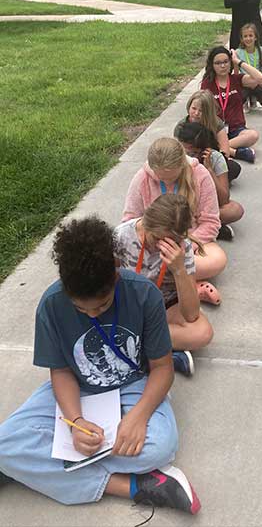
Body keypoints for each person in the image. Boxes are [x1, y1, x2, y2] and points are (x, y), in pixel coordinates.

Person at [0, 216, 200, 514]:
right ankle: (132, 486)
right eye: (81, 308)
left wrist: (138, 417)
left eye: (102, 305)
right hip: (79, 388)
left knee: (160, 446)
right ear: (66, 288)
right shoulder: (51, 305)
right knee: (3, 443)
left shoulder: (145, 295)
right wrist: (75, 422)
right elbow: (62, 371)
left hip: (134, 383)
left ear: (117, 274)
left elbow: (161, 368)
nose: (92, 315)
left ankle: (31, 466)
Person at [115, 194, 214, 377]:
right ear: (146, 222)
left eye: (168, 241)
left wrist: (179, 270)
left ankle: (140, 348)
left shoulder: (182, 247)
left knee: (202, 333)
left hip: (164, 304)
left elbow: (191, 314)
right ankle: (164, 354)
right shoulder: (122, 236)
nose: (160, 245)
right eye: (156, 238)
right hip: (129, 304)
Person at [123, 137, 226, 304]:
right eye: (161, 178)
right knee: (131, 261)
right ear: (152, 168)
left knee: (217, 259)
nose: (167, 182)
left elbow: (211, 222)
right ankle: (189, 286)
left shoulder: (200, 175)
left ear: (182, 165)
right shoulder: (142, 178)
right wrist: (153, 246)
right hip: (153, 242)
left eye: (172, 177)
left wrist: (185, 246)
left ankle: (175, 283)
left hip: (190, 238)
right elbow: (130, 219)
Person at [177, 122, 244, 241]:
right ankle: (209, 228)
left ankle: (201, 227)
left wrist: (209, 171)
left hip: (204, 207)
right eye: (185, 152)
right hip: (181, 206)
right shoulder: (175, 156)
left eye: (193, 153)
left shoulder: (214, 158)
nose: (188, 157)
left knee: (235, 210)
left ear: (203, 151)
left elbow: (224, 199)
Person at [200, 46, 262, 163]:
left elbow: (260, 78)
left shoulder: (237, 79)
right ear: (212, 65)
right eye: (218, 63)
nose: (223, 66)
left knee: (253, 135)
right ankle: (235, 152)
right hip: (216, 130)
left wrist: (238, 61)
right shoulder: (207, 84)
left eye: (226, 61)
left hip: (236, 129)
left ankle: (219, 149)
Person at [173, 89, 241, 181]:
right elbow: (175, 150)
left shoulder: (216, 123)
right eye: (193, 108)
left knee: (233, 167)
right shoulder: (181, 126)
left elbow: (225, 151)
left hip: (209, 159)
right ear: (189, 107)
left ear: (208, 111)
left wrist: (216, 159)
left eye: (201, 110)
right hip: (188, 161)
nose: (196, 113)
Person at [236, 22, 262, 116]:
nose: (248, 38)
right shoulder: (238, 53)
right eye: (245, 36)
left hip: (259, 84)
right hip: (245, 84)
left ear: (255, 37)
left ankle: (254, 97)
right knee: (234, 106)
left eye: (251, 35)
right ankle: (245, 100)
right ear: (242, 39)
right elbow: (235, 74)